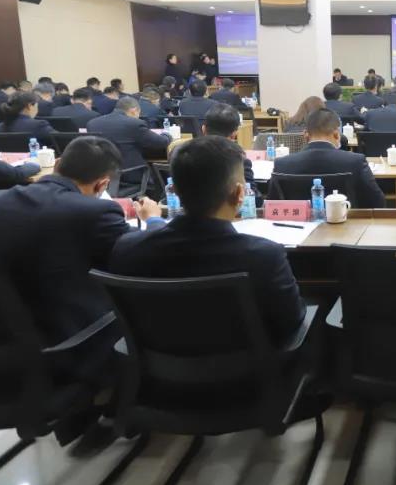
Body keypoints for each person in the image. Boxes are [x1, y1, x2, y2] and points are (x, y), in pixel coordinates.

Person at [109, 136, 308, 347]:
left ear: (173, 190)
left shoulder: (127, 249)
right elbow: (290, 322)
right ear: (239, 193)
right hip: (250, 366)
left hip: (158, 365)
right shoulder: (264, 255)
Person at [0, 137, 162, 351]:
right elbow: (143, 254)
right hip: (67, 343)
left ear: (57, 163)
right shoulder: (95, 212)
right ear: (102, 184)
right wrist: (153, 220)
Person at [274, 108, 386, 208]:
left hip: (298, 224)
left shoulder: (282, 164)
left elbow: (271, 205)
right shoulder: (355, 161)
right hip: (347, 222)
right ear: (337, 134)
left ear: (305, 135)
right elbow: (378, 202)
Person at [87, 97, 170, 185]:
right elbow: (161, 143)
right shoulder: (134, 124)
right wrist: (167, 135)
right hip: (131, 175)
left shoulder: (92, 124)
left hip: (103, 176)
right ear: (134, 110)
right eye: (139, 113)